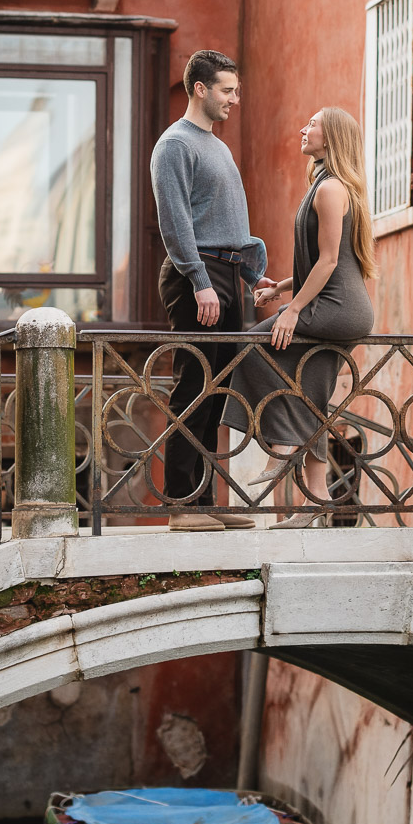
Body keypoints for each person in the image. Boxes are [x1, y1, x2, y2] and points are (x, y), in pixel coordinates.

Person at [222, 106, 375, 529]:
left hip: (338, 309)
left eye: (312, 125)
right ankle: (317, 503)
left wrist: (293, 311)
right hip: (339, 306)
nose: (302, 129)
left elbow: (328, 263)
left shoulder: (331, 190)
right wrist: (281, 289)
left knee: (253, 347)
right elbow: (327, 264)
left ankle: (285, 446)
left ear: (332, 138)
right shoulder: (328, 185)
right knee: (310, 398)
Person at [150, 49, 269, 530]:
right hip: (195, 276)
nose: (234, 99)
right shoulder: (175, 144)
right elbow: (176, 222)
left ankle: (204, 502)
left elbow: (226, 220)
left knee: (217, 393)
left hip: (225, 275)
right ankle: (181, 505)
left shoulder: (216, 145)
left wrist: (252, 276)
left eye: (235, 90)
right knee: (195, 385)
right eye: (227, 90)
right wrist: (201, 282)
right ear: (200, 88)